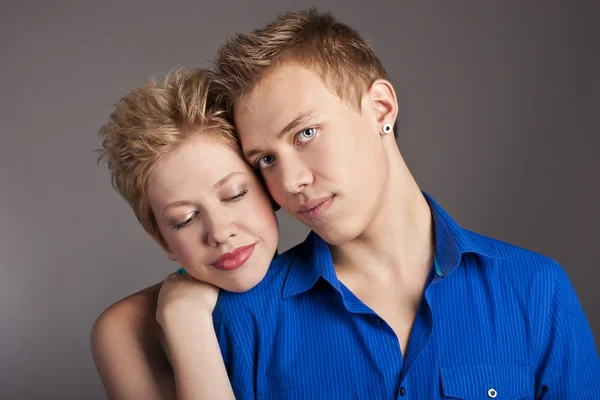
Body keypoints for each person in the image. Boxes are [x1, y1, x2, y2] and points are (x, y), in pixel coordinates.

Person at [204, 8, 600, 398]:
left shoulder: (536, 290)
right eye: (266, 160)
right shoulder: (246, 320)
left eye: (306, 133)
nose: (290, 182)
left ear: (381, 108)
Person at [90, 69, 278, 399]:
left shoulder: (337, 280)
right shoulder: (125, 329)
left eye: (234, 194)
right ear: (161, 238)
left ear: (269, 186)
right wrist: (185, 322)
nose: (220, 233)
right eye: (185, 219)